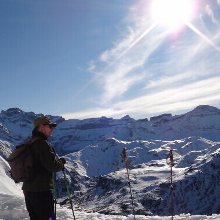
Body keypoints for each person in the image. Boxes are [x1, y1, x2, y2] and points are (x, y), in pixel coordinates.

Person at [22, 115, 66, 220]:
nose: (52, 129)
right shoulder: (42, 144)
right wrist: (61, 162)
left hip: (28, 191)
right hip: (41, 192)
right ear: (41, 127)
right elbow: (53, 166)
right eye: (50, 127)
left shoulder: (30, 143)